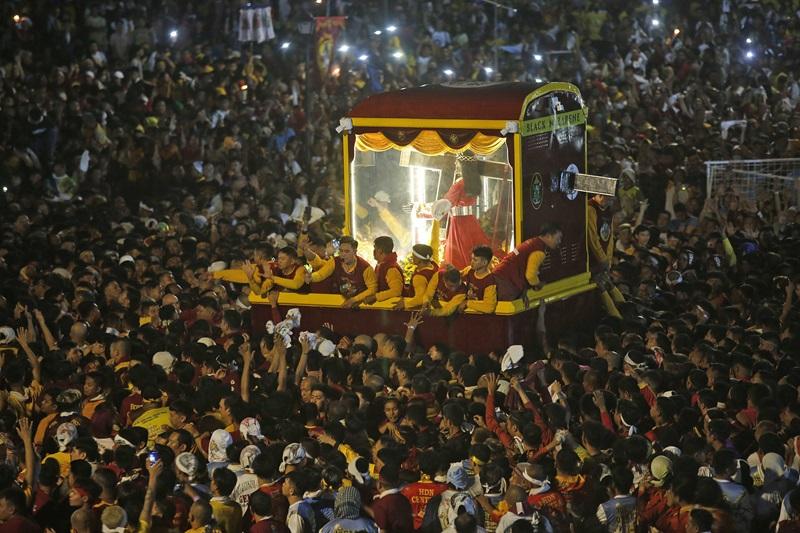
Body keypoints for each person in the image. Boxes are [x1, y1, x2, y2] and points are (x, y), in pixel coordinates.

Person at [441, 155, 492, 269]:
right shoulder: (474, 182)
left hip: (458, 223)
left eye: (457, 162)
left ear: (463, 165)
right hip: (470, 220)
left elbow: (446, 203)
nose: (455, 164)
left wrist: (421, 210)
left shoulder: (460, 183)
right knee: (469, 248)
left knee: (458, 254)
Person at [493, 223, 563, 302]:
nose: (559, 242)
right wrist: (538, 284)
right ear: (548, 236)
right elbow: (530, 276)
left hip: (497, 276)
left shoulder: (531, 242)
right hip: (505, 282)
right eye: (558, 239)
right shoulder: (539, 251)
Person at [304, 236, 377, 308]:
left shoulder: (365, 268)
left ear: (355, 251)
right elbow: (321, 274)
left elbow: (373, 289)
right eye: (341, 251)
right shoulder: (334, 262)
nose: (343, 254)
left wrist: (354, 300)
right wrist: (311, 277)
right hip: (340, 303)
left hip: (361, 306)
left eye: (347, 251)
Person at [587, 194, 625, 318]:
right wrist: (602, 259)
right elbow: (592, 236)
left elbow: (609, 238)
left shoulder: (608, 211)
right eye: (609, 198)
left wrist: (607, 261)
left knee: (606, 284)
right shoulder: (590, 208)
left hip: (602, 263)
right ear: (600, 195)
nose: (610, 202)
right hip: (591, 260)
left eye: (612, 199)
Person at [395, 244, 439, 310]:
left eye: (414, 255)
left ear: (419, 259)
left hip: (420, 310)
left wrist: (405, 303)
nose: (411, 257)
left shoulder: (419, 277)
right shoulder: (434, 265)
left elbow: (420, 299)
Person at [458, 245, 498, 314]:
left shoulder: (490, 281)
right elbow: (457, 276)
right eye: (472, 259)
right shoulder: (469, 270)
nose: (471, 262)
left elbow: (489, 307)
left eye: (475, 260)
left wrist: (467, 303)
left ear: (484, 262)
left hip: (478, 317)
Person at [366, 235, 403, 304]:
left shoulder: (391, 269)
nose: (373, 251)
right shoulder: (381, 265)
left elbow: (396, 291)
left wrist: (375, 297)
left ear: (380, 251)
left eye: (375, 249)